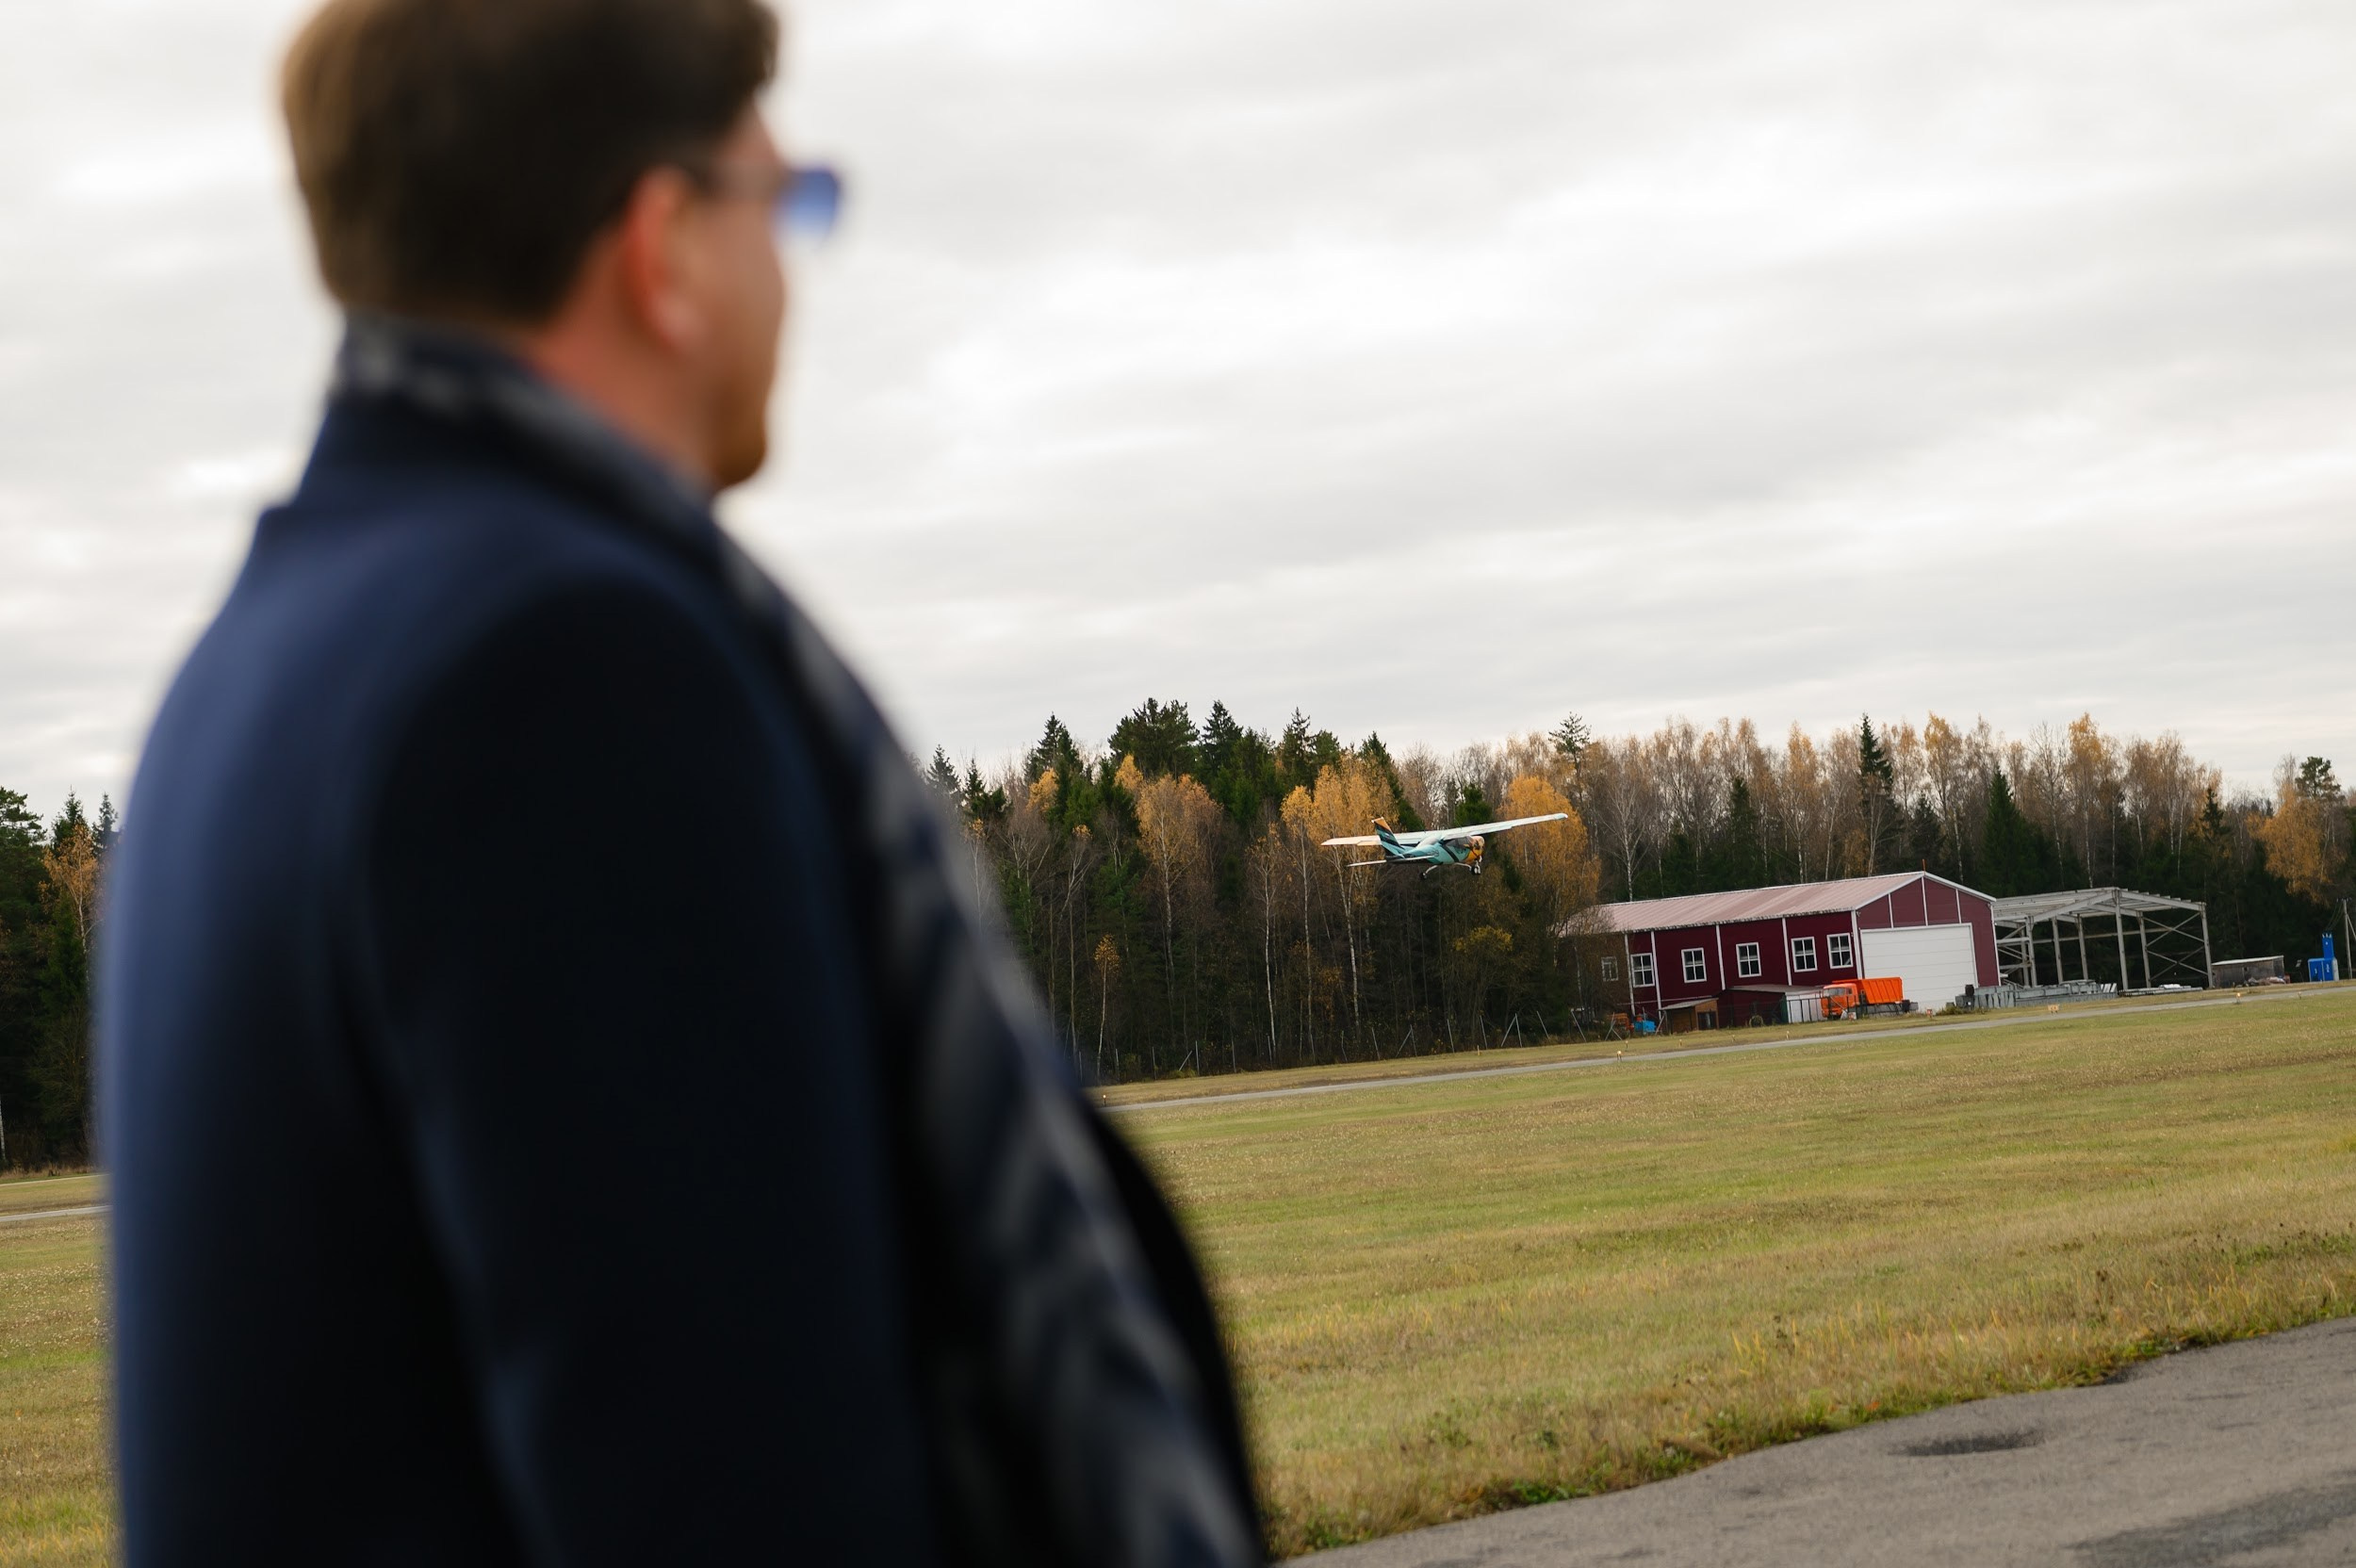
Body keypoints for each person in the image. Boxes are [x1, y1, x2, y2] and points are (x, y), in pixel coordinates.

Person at [95, 1, 1260, 1561]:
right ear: (663, 250)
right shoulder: (565, 673)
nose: (792, 265)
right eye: (786, 201)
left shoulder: (255, 665)